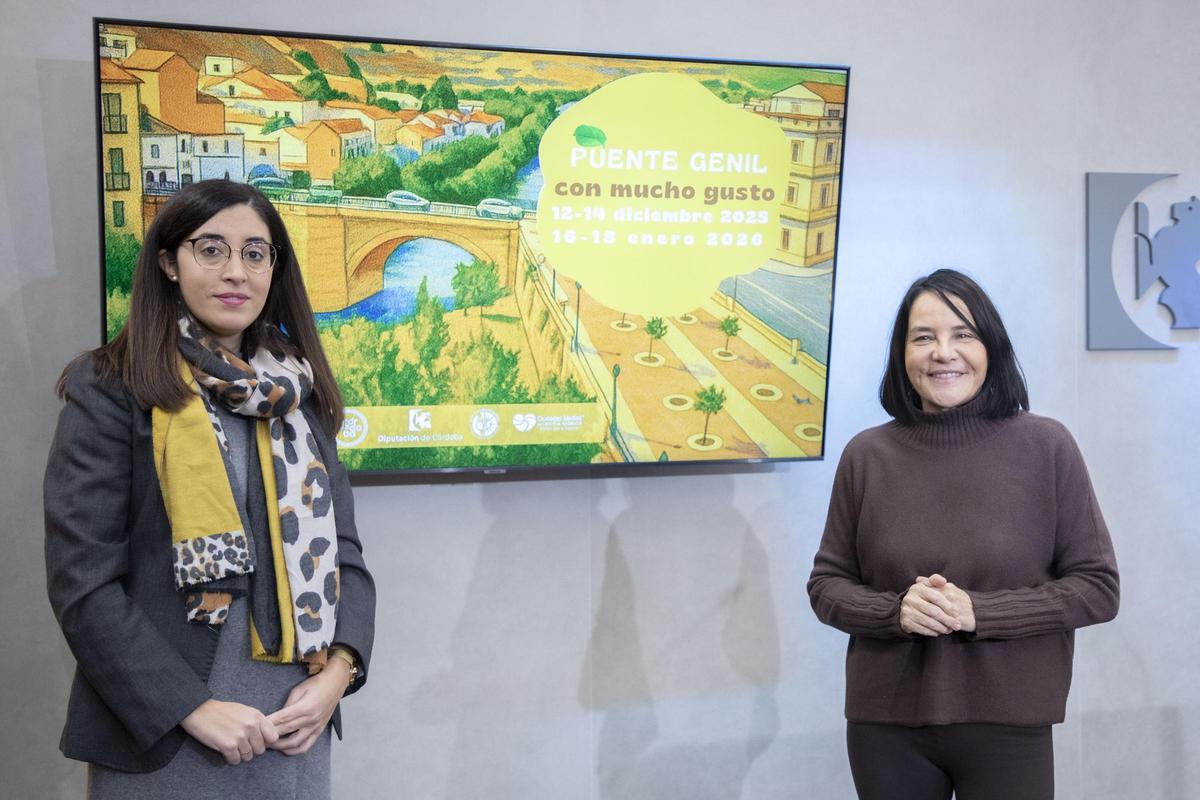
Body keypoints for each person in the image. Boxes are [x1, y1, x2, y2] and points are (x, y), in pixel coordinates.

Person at [44, 179, 376, 799]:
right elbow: (82, 581)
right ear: (170, 262)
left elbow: (347, 557)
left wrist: (339, 673)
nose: (236, 273)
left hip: (292, 725)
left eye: (256, 253)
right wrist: (191, 708)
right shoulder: (110, 387)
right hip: (166, 732)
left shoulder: (296, 396)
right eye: (211, 249)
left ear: (275, 269)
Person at [807, 269, 1118, 800]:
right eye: (923, 337)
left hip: (1010, 722)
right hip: (886, 727)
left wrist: (980, 612)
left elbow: (1097, 588)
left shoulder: (1046, 446)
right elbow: (827, 586)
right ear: (901, 356)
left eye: (963, 335)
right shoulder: (867, 455)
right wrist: (894, 611)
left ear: (990, 347)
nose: (943, 353)